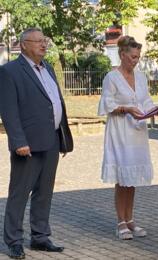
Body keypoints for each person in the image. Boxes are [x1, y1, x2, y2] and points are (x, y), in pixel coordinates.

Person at [0, 28, 73, 259]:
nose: (44, 45)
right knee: (19, 193)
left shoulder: (48, 68)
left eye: (45, 41)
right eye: (38, 41)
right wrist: (18, 141)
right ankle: (13, 241)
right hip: (28, 145)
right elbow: (9, 111)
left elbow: (54, 102)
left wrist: (62, 137)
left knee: (44, 192)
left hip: (51, 139)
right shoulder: (9, 71)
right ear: (23, 45)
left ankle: (40, 238)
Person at [98, 36, 158, 240]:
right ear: (123, 55)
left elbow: (146, 100)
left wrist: (157, 109)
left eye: (138, 57)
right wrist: (126, 108)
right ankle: (120, 222)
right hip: (120, 131)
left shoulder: (141, 76)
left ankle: (131, 219)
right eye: (133, 57)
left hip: (138, 130)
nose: (136, 61)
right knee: (122, 178)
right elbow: (106, 104)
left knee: (132, 178)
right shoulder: (112, 77)